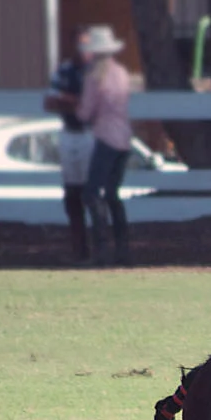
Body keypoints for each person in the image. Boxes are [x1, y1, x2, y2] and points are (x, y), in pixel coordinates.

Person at [78, 24, 135, 265]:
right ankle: (123, 248)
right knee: (112, 194)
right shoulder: (121, 74)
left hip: (106, 138)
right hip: (124, 138)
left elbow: (85, 112)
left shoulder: (94, 78)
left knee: (92, 193)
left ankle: (102, 248)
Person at [43, 29, 93, 262]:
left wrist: (69, 100)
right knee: (72, 193)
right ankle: (78, 246)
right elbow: (50, 102)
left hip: (91, 134)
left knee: (92, 192)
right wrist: (76, 101)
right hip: (69, 132)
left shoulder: (98, 72)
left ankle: (98, 245)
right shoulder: (65, 70)